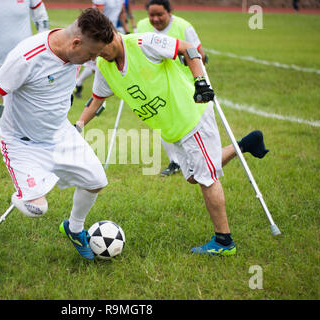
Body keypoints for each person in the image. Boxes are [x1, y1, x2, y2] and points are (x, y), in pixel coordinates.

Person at [76, 31, 269, 256]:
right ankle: (244, 144)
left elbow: (189, 49)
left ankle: (224, 241)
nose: (98, 55)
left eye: (100, 49)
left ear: (111, 36)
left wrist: (201, 83)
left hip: (191, 117)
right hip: (170, 127)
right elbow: (97, 98)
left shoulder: (143, 43)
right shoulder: (103, 64)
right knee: (193, 176)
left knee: (207, 178)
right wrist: (78, 125)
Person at [0, 9, 115, 260]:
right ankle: (26, 192)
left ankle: (74, 229)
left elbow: (113, 48)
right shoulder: (27, 56)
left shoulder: (77, 52)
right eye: (91, 54)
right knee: (36, 208)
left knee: (97, 181)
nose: (93, 60)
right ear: (76, 43)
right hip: (23, 143)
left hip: (60, 134)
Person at [137, 0, 207, 177]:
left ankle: (198, 157)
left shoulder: (184, 27)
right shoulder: (142, 25)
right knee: (162, 120)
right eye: (151, 15)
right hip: (155, 83)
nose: (155, 19)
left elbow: (200, 54)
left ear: (170, 12)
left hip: (183, 83)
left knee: (188, 122)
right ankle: (175, 161)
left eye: (160, 14)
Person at [74, 0, 129, 99]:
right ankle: (78, 84)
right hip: (100, 35)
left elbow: (122, 13)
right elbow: (99, 16)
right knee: (96, 64)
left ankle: (79, 84)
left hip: (113, 33)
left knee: (102, 64)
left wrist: (126, 30)